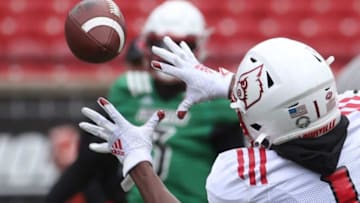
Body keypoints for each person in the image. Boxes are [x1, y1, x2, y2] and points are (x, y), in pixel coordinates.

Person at [80, 36, 360, 202]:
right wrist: (228, 84)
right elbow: (299, 101)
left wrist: (138, 161)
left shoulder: (244, 175)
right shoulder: (354, 107)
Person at [106, 1, 244, 202]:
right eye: (158, 44)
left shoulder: (218, 105)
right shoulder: (128, 89)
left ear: (199, 47)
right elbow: (91, 166)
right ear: (144, 44)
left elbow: (233, 180)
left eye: (183, 45)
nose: (168, 54)